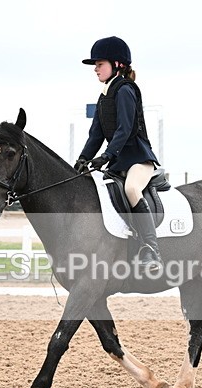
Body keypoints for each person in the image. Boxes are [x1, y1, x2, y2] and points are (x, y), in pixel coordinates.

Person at [74, 36, 162, 274]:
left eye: (99, 64)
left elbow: (125, 129)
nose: (95, 69)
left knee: (132, 189)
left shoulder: (125, 90)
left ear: (117, 64)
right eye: (96, 65)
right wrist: (81, 161)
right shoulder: (104, 96)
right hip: (118, 161)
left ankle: (151, 249)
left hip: (139, 159)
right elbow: (95, 135)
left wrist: (107, 155)